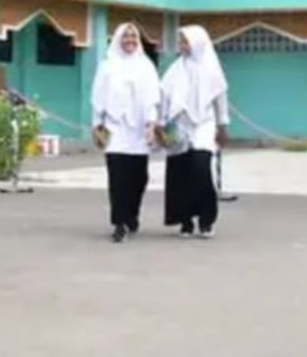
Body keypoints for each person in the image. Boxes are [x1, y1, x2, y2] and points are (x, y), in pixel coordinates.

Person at [90, 22, 161, 243]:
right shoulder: (107, 65)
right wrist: (97, 125)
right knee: (117, 177)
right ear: (118, 39)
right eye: (125, 36)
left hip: (138, 131)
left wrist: (151, 124)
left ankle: (132, 216)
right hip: (114, 128)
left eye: (133, 37)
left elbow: (152, 99)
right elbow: (98, 98)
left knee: (138, 178)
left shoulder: (146, 65)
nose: (129, 40)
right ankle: (119, 223)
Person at [161, 25, 230, 239]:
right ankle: (186, 221)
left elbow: (220, 99)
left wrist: (222, 126)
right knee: (180, 173)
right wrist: (162, 125)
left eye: (185, 42)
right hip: (178, 125)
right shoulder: (175, 69)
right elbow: (164, 98)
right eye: (180, 42)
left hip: (204, 125)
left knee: (201, 168)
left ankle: (206, 219)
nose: (182, 46)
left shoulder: (211, 69)